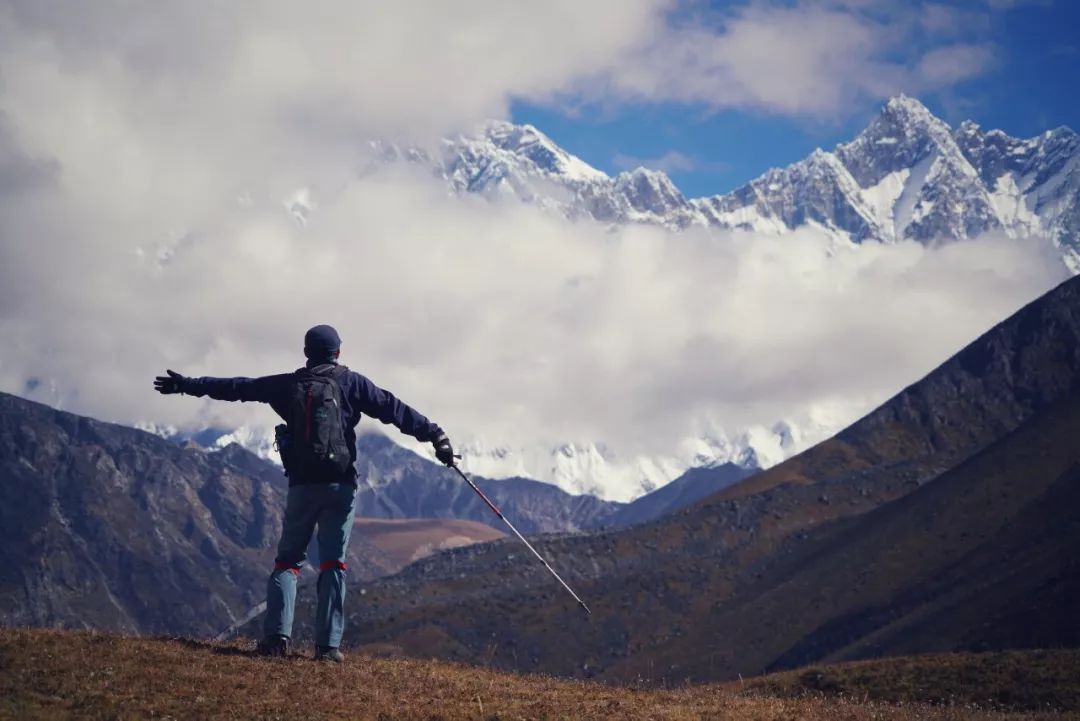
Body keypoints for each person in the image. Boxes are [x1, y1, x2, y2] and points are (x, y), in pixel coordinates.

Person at [153, 324, 454, 662]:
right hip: (340, 485)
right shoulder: (351, 383)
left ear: (307, 352)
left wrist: (187, 385)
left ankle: (276, 639)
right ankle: (328, 649)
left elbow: (238, 388)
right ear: (338, 352)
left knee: (288, 562)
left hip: (301, 485)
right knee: (332, 564)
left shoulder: (287, 384)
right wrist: (436, 436)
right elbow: (394, 409)